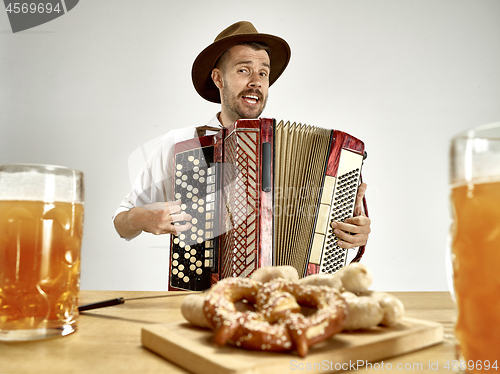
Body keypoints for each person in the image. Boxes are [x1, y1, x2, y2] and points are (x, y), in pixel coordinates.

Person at [113, 21, 371, 250]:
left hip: (283, 296)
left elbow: (322, 237)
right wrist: (141, 218)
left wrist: (351, 234)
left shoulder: (303, 154)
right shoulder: (181, 144)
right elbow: (121, 221)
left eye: (263, 73)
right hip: (209, 297)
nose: (256, 82)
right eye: (243, 70)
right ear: (218, 78)